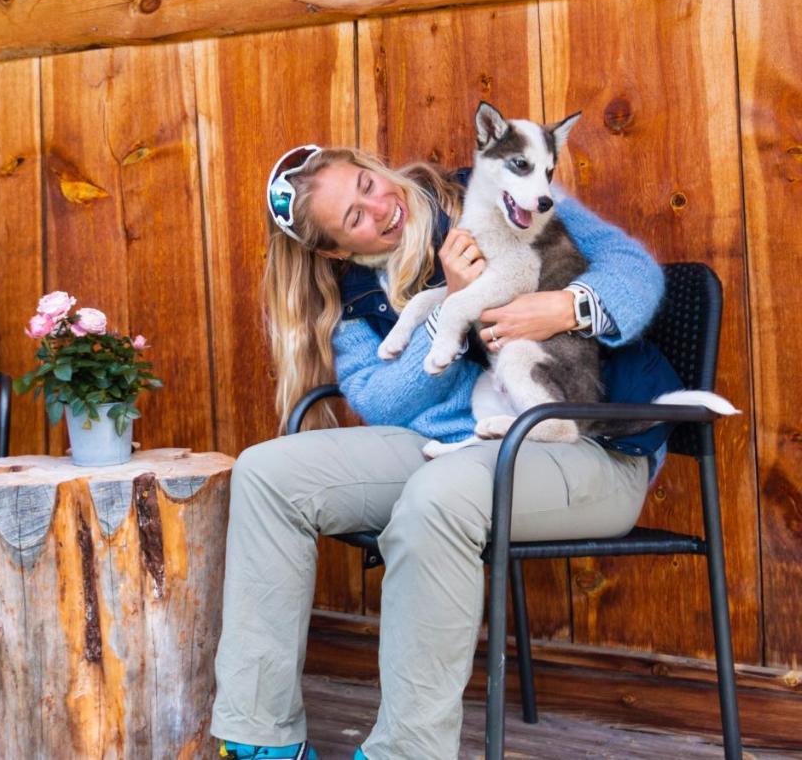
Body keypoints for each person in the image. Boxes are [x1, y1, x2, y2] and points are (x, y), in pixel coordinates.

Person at [211, 145, 681, 759]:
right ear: (335, 250)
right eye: (354, 217)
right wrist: (447, 313)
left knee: (438, 497)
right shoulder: (356, 297)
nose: (381, 207)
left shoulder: (499, 194)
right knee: (268, 474)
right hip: (455, 446)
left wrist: (566, 307)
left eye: (367, 183)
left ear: (373, 164)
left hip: (589, 444)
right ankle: (260, 740)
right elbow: (381, 400)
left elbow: (633, 268)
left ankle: (405, 753)